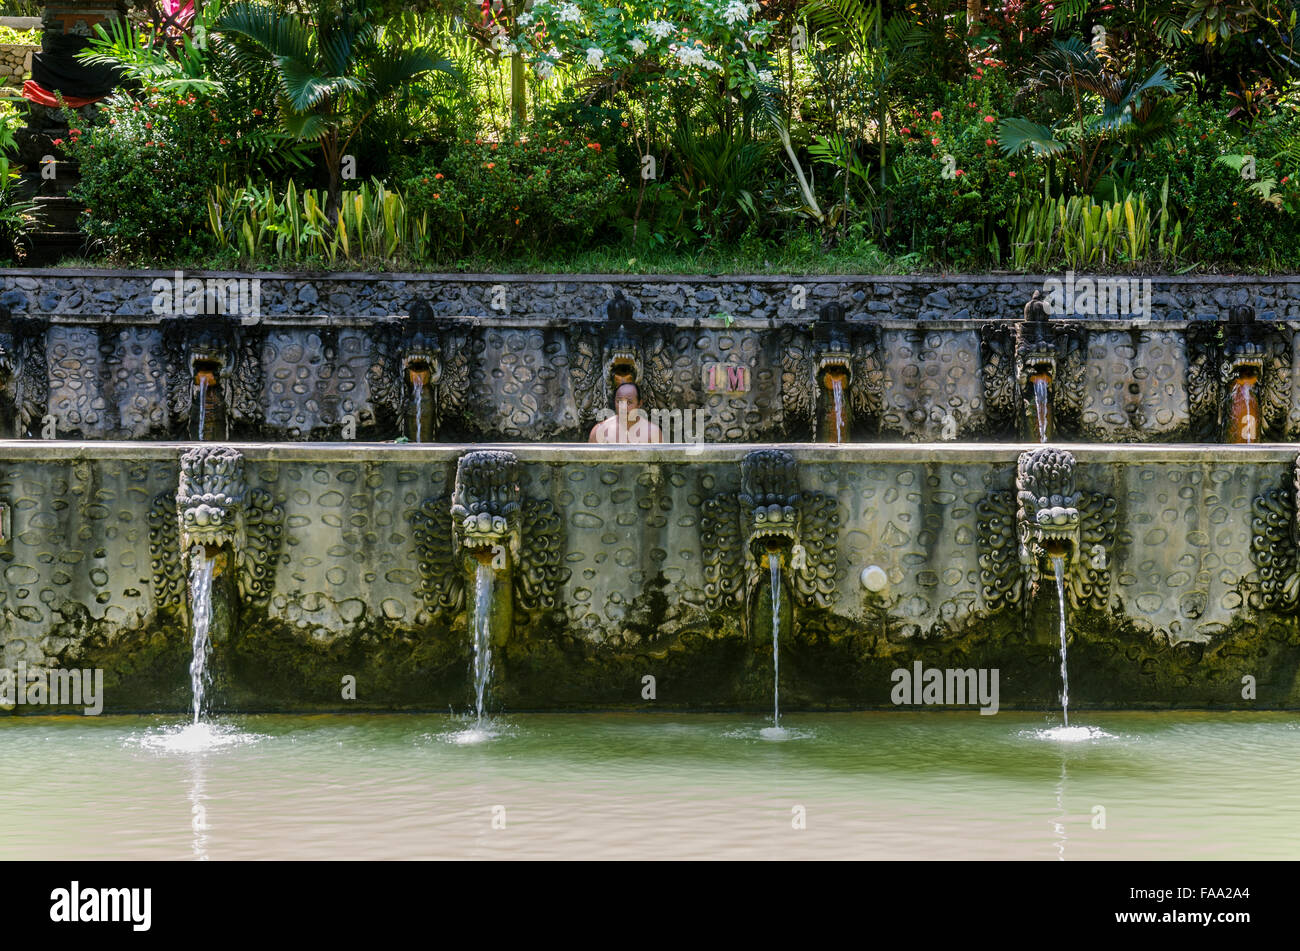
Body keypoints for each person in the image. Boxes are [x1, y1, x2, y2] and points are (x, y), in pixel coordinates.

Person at [589, 383, 663, 443]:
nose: (623, 407)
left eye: (629, 402)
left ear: (639, 403)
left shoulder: (653, 432)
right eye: (619, 401)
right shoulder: (600, 431)